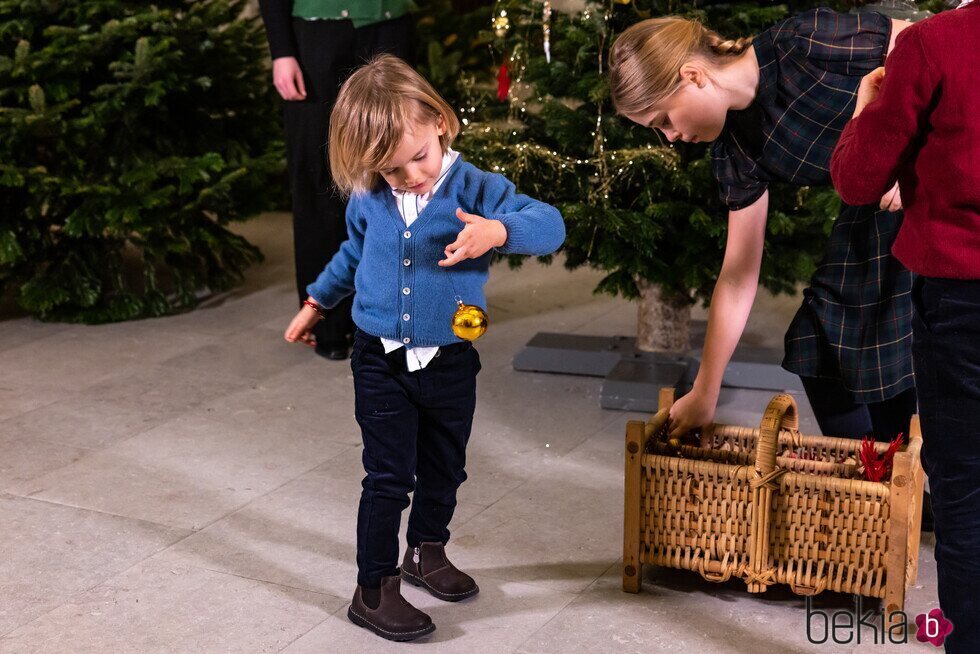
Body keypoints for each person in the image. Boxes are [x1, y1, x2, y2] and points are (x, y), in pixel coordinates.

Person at [283, 55, 566, 642]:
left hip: (451, 357)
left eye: (418, 157)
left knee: (446, 465)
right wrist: (317, 303)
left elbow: (551, 224)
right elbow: (351, 257)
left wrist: (500, 230)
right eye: (391, 170)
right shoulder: (367, 197)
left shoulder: (478, 188)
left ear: (439, 121)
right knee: (388, 474)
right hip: (378, 358)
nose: (410, 176)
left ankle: (426, 551)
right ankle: (373, 587)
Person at [607, 8, 917, 444]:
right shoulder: (735, 150)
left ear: (693, 75)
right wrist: (704, 391)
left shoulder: (805, 42)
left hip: (939, 175)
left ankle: (919, 483)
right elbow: (737, 275)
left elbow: (940, 50)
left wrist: (913, 155)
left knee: (895, 345)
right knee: (820, 343)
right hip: (873, 211)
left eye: (663, 121)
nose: (671, 139)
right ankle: (879, 476)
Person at [830, 3, 980, 650]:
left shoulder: (934, 42)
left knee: (966, 482)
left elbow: (859, 179)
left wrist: (865, 107)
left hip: (962, 299)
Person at [259, 0, 415, 360]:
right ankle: (326, 321)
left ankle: (388, 316)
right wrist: (282, 51)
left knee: (393, 173)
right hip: (318, 37)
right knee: (319, 175)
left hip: (389, 25)